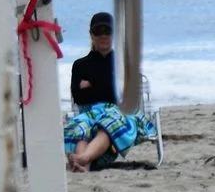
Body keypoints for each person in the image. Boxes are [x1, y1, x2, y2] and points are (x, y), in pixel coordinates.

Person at [63, 11, 150, 171]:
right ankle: (84, 167)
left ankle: (82, 158)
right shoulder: (80, 65)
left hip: (122, 112)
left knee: (108, 123)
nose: (103, 35)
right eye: (98, 31)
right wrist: (108, 84)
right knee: (81, 127)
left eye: (107, 31)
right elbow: (79, 97)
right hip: (90, 113)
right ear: (91, 35)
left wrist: (92, 85)